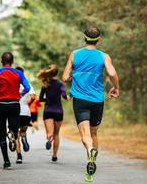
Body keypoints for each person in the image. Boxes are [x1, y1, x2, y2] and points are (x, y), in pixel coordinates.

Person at [62, 26, 120, 182]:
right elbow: (112, 73)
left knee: (85, 134)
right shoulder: (104, 56)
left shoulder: (75, 54)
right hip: (97, 100)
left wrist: (73, 74)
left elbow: (65, 76)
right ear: (99, 39)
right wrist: (116, 87)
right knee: (94, 133)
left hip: (80, 100)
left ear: (84, 38)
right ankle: (92, 158)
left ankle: (90, 150)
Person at [0, 52, 31, 169]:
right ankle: (12, 133)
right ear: (12, 61)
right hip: (14, 104)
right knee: (14, 129)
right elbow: (27, 87)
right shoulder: (19, 73)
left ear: (2, 60)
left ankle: (6, 161)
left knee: (1, 132)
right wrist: (20, 94)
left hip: (0, 104)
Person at [37, 64, 67, 162]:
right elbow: (64, 96)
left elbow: (41, 99)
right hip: (58, 111)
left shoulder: (45, 83)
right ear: (57, 73)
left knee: (50, 133)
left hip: (48, 111)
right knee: (57, 134)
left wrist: (48, 99)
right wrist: (69, 97)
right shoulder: (61, 84)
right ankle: (54, 155)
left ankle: (49, 139)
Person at [15, 66, 35, 164]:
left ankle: (19, 156)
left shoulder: (12, 84)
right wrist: (27, 104)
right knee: (23, 131)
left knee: (15, 134)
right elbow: (33, 97)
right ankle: (24, 136)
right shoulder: (27, 84)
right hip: (26, 112)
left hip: (15, 111)